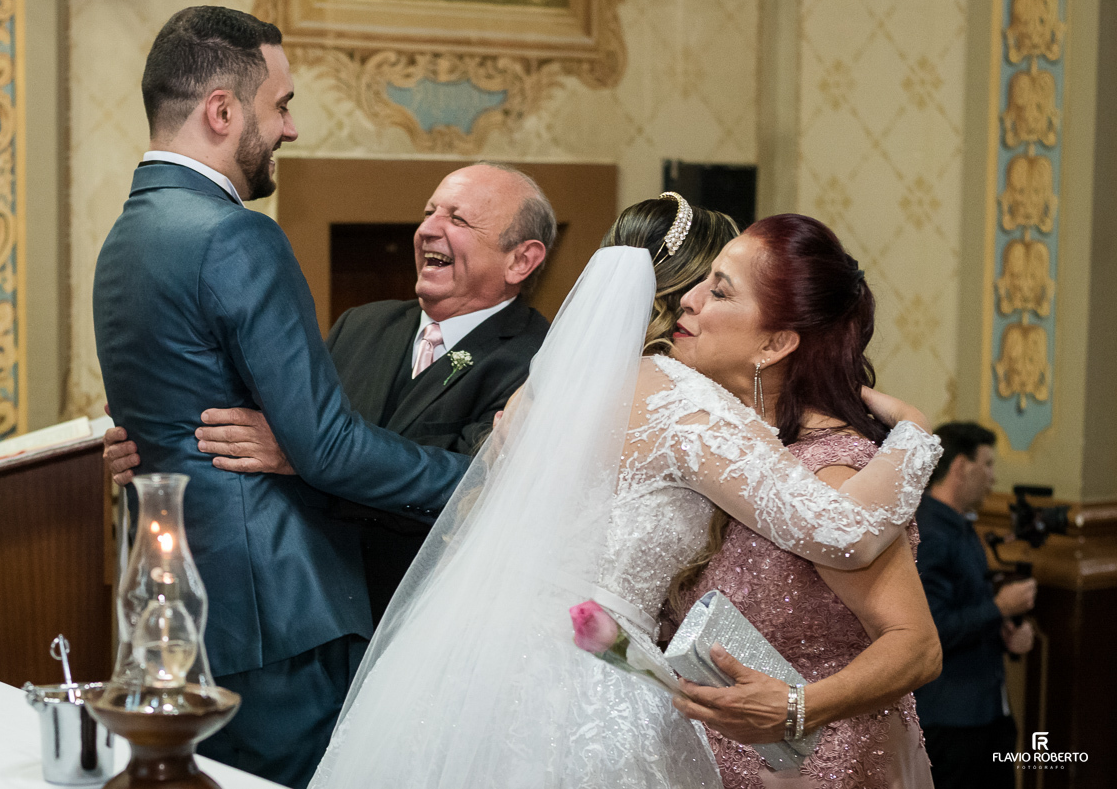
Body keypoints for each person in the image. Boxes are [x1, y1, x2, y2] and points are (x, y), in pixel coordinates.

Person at [309, 196, 944, 788]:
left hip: (469, 663)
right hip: (583, 684)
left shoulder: (552, 390)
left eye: (720, 291)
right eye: (704, 283)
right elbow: (843, 531)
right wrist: (916, 435)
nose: (697, 302)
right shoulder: (680, 400)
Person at [91, 7, 468, 789]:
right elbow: (326, 446)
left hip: (180, 609)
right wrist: (484, 478)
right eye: (282, 105)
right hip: (278, 613)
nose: (290, 129)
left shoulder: (124, 238)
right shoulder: (236, 235)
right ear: (222, 111)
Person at [105, 161, 555, 624]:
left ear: (521, 260)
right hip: (316, 604)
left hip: (428, 617)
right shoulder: (362, 323)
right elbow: (260, 427)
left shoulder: (541, 361)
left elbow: (475, 489)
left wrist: (305, 453)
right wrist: (156, 435)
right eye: (428, 213)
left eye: (457, 220)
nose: (426, 230)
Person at [665, 214, 941, 789]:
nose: (686, 301)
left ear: (774, 343)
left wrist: (798, 707)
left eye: (718, 290)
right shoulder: (717, 447)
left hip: (814, 768)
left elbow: (917, 647)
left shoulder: (831, 470)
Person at [914, 422, 1035, 789]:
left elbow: (968, 607)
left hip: (986, 709)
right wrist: (999, 608)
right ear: (961, 466)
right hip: (952, 719)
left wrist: (1007, 635)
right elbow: (931, 631)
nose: (993, 478)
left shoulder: (962, 527)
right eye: (988, 465)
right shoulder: (930, 534)